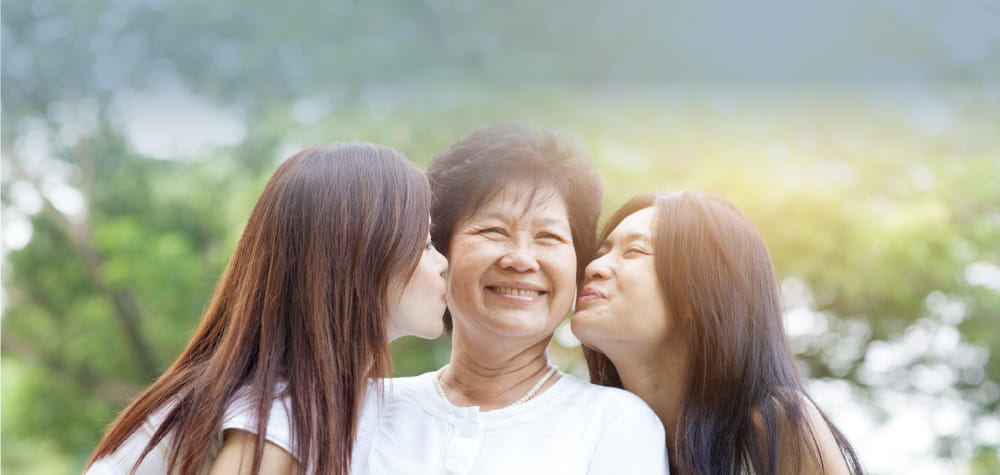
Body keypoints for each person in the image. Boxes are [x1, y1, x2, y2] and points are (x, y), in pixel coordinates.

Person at [85, 143, 448, 475]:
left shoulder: (283, 395)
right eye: (426, 243)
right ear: (363, 260)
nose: (444, 262)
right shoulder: (282, 409)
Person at [350, 124, 668, 474]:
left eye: (548, 236)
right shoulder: (361, 409)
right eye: (494, 231)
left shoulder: (616, 424)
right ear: (440, 251)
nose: (521, 259)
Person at [572, 191, 864, 474]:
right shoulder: (586, 430)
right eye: (601, 252)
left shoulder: (774, 425)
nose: (594, 267)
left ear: (698, 293)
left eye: (634, 251)